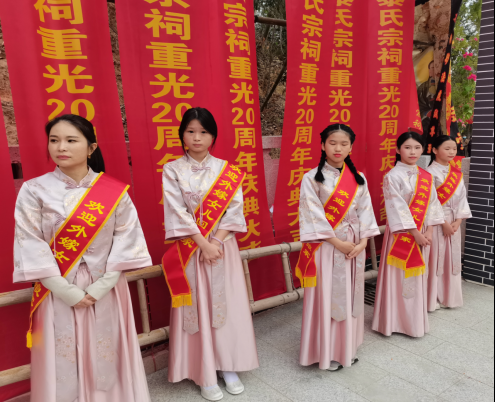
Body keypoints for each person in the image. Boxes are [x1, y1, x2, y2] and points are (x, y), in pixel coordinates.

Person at [13, 114, 152, 401]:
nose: (60, 147)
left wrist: (101, 286)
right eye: (54, 140)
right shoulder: (34, 190)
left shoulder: (114, 192)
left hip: (106, 286)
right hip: (57, 289)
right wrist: (67, 291)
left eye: (71, 140)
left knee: (107, 349)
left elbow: (127, 240)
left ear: (91, 148)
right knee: (63, 354)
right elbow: (30, 243)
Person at [162, 107, 258, 401]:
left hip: (222, 246)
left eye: (203, 132)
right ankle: (204, 370)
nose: (197, 137)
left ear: (213, 136)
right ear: (182, 135)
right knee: (197, 305)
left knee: (225, 302)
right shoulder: (172, 170)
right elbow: (176, 210)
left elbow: (235, 209)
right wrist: (202, 244)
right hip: (191, 248)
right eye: (190, 131)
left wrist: (215, 241)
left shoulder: (227, 170)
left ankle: (228, 364)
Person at [297, 124, 381, 371]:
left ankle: (348, 346)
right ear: (323, 145)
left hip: (354, 244)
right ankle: (328, 351)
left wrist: (363, 242)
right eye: (332, 143)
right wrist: (337, 243)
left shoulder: (359, 178)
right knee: (328, 294)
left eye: (344, 144)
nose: (338, 148)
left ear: (351, 147)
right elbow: (312, 215)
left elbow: (366, 211)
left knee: (351, 292)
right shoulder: (311, 178)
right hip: (326, 246)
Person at [372, 131, 444, 338]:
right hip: (401, 234)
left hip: (423, 232)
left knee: (416, 276)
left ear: (423, 150)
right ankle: (394, 321)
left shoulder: (426, 176)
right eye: (407, 147)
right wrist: (415, 233)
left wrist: (429, 230)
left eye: (417, 147)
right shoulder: (392, 176)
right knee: (399, 276)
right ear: (398, 150)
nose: (413, 152)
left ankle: (413, 321)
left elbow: (433, 204)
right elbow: (397, 208)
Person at [427, 136, 472, 311]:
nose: (452, 152)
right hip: (437, 222)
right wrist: (443, 223)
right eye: (447, 148)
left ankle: (450, 297)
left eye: (454, 148)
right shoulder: (429, 173)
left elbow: (462, 198)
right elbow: (430, 202)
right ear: (435, 150)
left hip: (454, 221)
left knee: (452, 258)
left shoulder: (456, 173)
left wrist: (458, 220)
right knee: (436, 258)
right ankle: (433, 297)